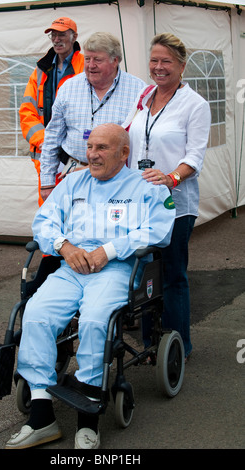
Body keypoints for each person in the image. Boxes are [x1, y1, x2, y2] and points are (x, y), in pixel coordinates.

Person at [5, 124, 176, 450]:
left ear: (124, 153)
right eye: (90, 147)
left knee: (97, 320)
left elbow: (159, 230)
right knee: (37, 314)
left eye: (102, 148)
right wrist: (65, 247)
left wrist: (108, 251)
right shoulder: (73, 182)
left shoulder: (146, 186)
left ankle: (88, 421)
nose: (92, 155)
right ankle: (42, 416)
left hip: (117, 270)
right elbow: (44, 221)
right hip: (72, 267)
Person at [122, 33, 211, 360]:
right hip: (139, 203)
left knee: (173, 276)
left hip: (175, 206)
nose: (159, 67)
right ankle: (149, 345)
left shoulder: (195, 105)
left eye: (167, 62)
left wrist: (171, 177)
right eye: (154, 60)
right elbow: (129, 136)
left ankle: (177, 347)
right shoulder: (145, 97)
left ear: (181, 66)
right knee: (146, 274)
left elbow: (195, 156)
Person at [39, 32, 146, 201]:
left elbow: (143, 141)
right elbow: (52, 137)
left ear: (115, 60)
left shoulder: (138, 90)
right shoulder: (69, 87)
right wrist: (46, 182)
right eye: (87, 59)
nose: (90, 65)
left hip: (117, 179)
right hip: (71, 173)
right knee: (71, 224)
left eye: (97, 60)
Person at [19, 17, 84, 206]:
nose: (56, 39)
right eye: (53, 35)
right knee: (48, 207)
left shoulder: (85, 66)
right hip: (45, 154)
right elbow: (27, 112)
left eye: (62, 34)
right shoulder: (40, 70)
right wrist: (46, 141)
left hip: (75, 154)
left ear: (74, 37)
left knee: (77, 206)